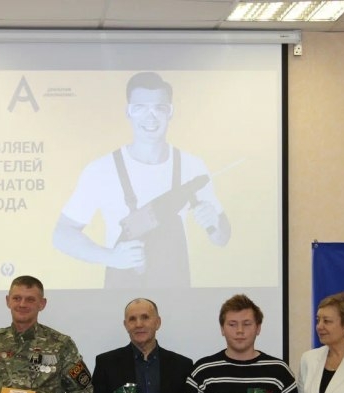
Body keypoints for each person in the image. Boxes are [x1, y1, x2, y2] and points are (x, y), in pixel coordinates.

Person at [52, 71, 231, 289]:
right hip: (121, 296)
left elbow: (222, 238)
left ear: (170, 112)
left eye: (159, 108)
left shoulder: (192, 166)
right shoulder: (101, 170)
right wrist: (110, 257)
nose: (150, 116)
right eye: (140, 108)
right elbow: (62, 234)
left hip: (176, 294)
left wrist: (215, 224)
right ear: (128, 112)